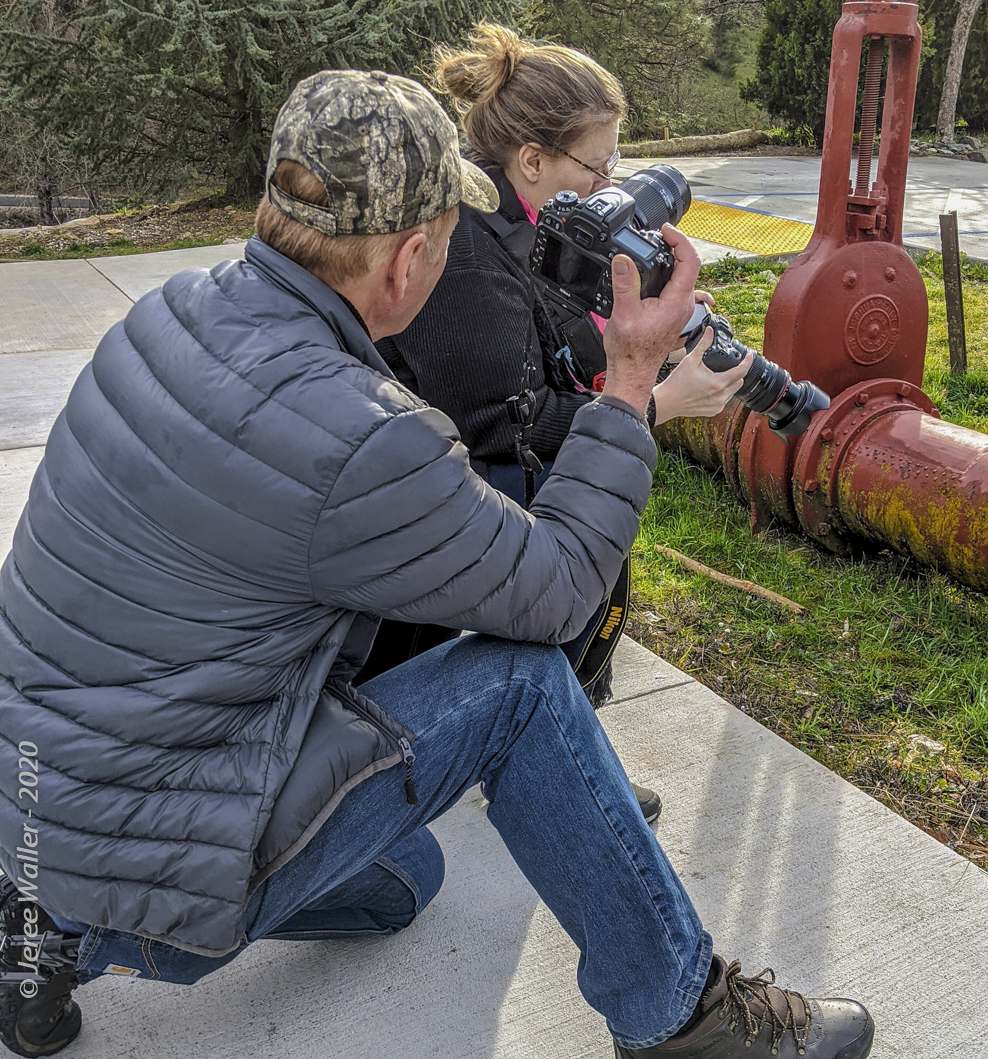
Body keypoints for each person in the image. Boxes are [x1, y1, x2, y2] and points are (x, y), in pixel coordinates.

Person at [0, 69, 874, 1059]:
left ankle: (38, 926)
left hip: (33, 787)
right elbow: (553, 595)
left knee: (406, 883)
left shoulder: (168, 315)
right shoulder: (357, 435)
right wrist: (633, 390)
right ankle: (688, 1020)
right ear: (412, 254)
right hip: (155, 845)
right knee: (520, 686)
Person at [372, 25, 750, 727]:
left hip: (423, 488)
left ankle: (549, 717)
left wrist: (650, 334)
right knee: (566, 532)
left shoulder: (524, 218)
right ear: (532, 157)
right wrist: (656, 400)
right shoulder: (467, 254)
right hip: (425, 499)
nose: (611, 190)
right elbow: (505, 428)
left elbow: (557, 340)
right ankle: (540, 732)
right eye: (597, 170)